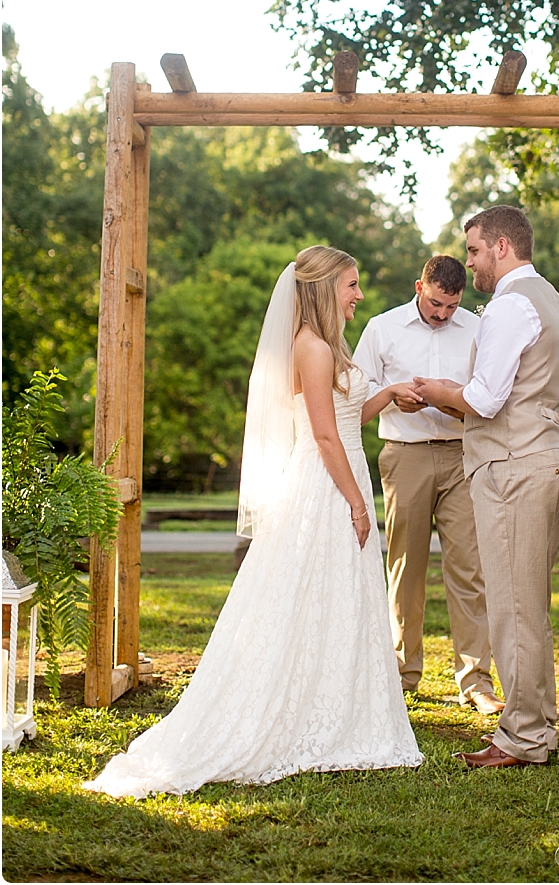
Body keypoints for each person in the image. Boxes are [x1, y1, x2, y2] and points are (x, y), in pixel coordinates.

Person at [84, 246, 423, 798]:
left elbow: (343, 416)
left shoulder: (329, 346)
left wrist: (384, 395)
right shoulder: (310, 348)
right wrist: (358, 504)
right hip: (325, 485)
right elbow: (322, 435)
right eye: (352, 285)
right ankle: (293, 715)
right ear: (321, 288)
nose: (359, 294)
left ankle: (337, 709)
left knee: (336, 599)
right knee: (302, 598)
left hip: (339, 474)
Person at [413, 207, 559, 769]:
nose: (471, 262)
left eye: (476, 250)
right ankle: (538, 727)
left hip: (516, 466)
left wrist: (440, 391)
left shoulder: (511, 305)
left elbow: (485, 399)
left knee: (513, 607)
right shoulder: (553, 301)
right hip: (550, 457)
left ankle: (524, 737)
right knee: (528, 604)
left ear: (502, 246)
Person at [353, 255, 503, 715]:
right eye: (436, 303)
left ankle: (476, 682)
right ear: (419, 286)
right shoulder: (381, 328)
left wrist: (452, 401)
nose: (442, 314)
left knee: (469, 569)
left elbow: (490, 396)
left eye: (452, 306)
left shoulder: (478, 330)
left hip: (463, 456)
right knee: (405, 567)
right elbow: (357, 397)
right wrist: (395, 397)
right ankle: (402, 674)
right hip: (406, 455)